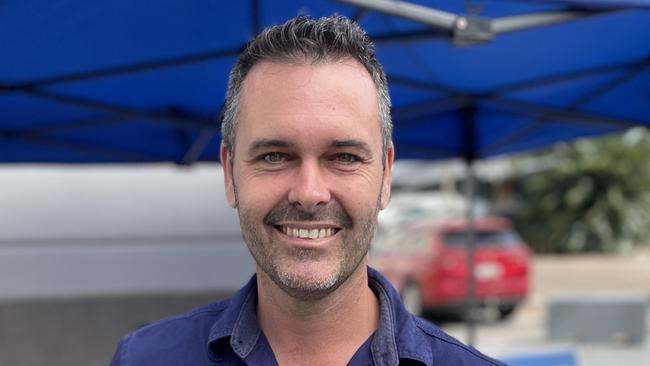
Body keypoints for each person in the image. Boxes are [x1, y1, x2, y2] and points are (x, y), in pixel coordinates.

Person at [110, 15, 504, 366]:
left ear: (385, 176)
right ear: (229, 173)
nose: (310, 193)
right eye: (275, 156)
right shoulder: (145, 358)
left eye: (344, 157)